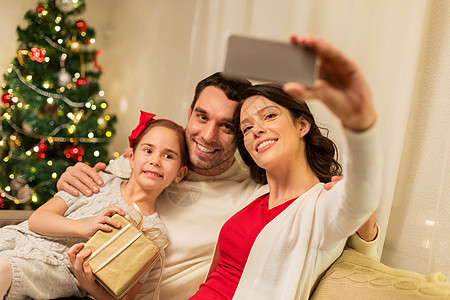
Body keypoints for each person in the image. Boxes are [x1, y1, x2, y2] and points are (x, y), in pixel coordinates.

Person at [58, 70, 379, 299]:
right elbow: (88, 193)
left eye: (227, 126)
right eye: (201, 117)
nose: (208, 136)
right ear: (189, 114)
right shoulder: (154, 164)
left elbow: (339, 216)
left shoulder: (256, 191)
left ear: (302, 125)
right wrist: (73, 177)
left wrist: (366, 231)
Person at [189, 35, 381, 299]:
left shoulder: (321, 206)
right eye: (246, 127)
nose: (256, 129)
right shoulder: (256, 195)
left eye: (269, 115)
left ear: (302, 125)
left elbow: (362, 194)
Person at [0, 112, 188, 300]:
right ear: (131, 157)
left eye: (168, 156)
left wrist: (86, 281)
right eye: (148, 150)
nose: (155, 161)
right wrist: (85, 227)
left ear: (180, 173)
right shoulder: (96, 181)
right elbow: (37, 220)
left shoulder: (154, 233)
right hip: (20, 238)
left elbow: (124, 296)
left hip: (53, 270)